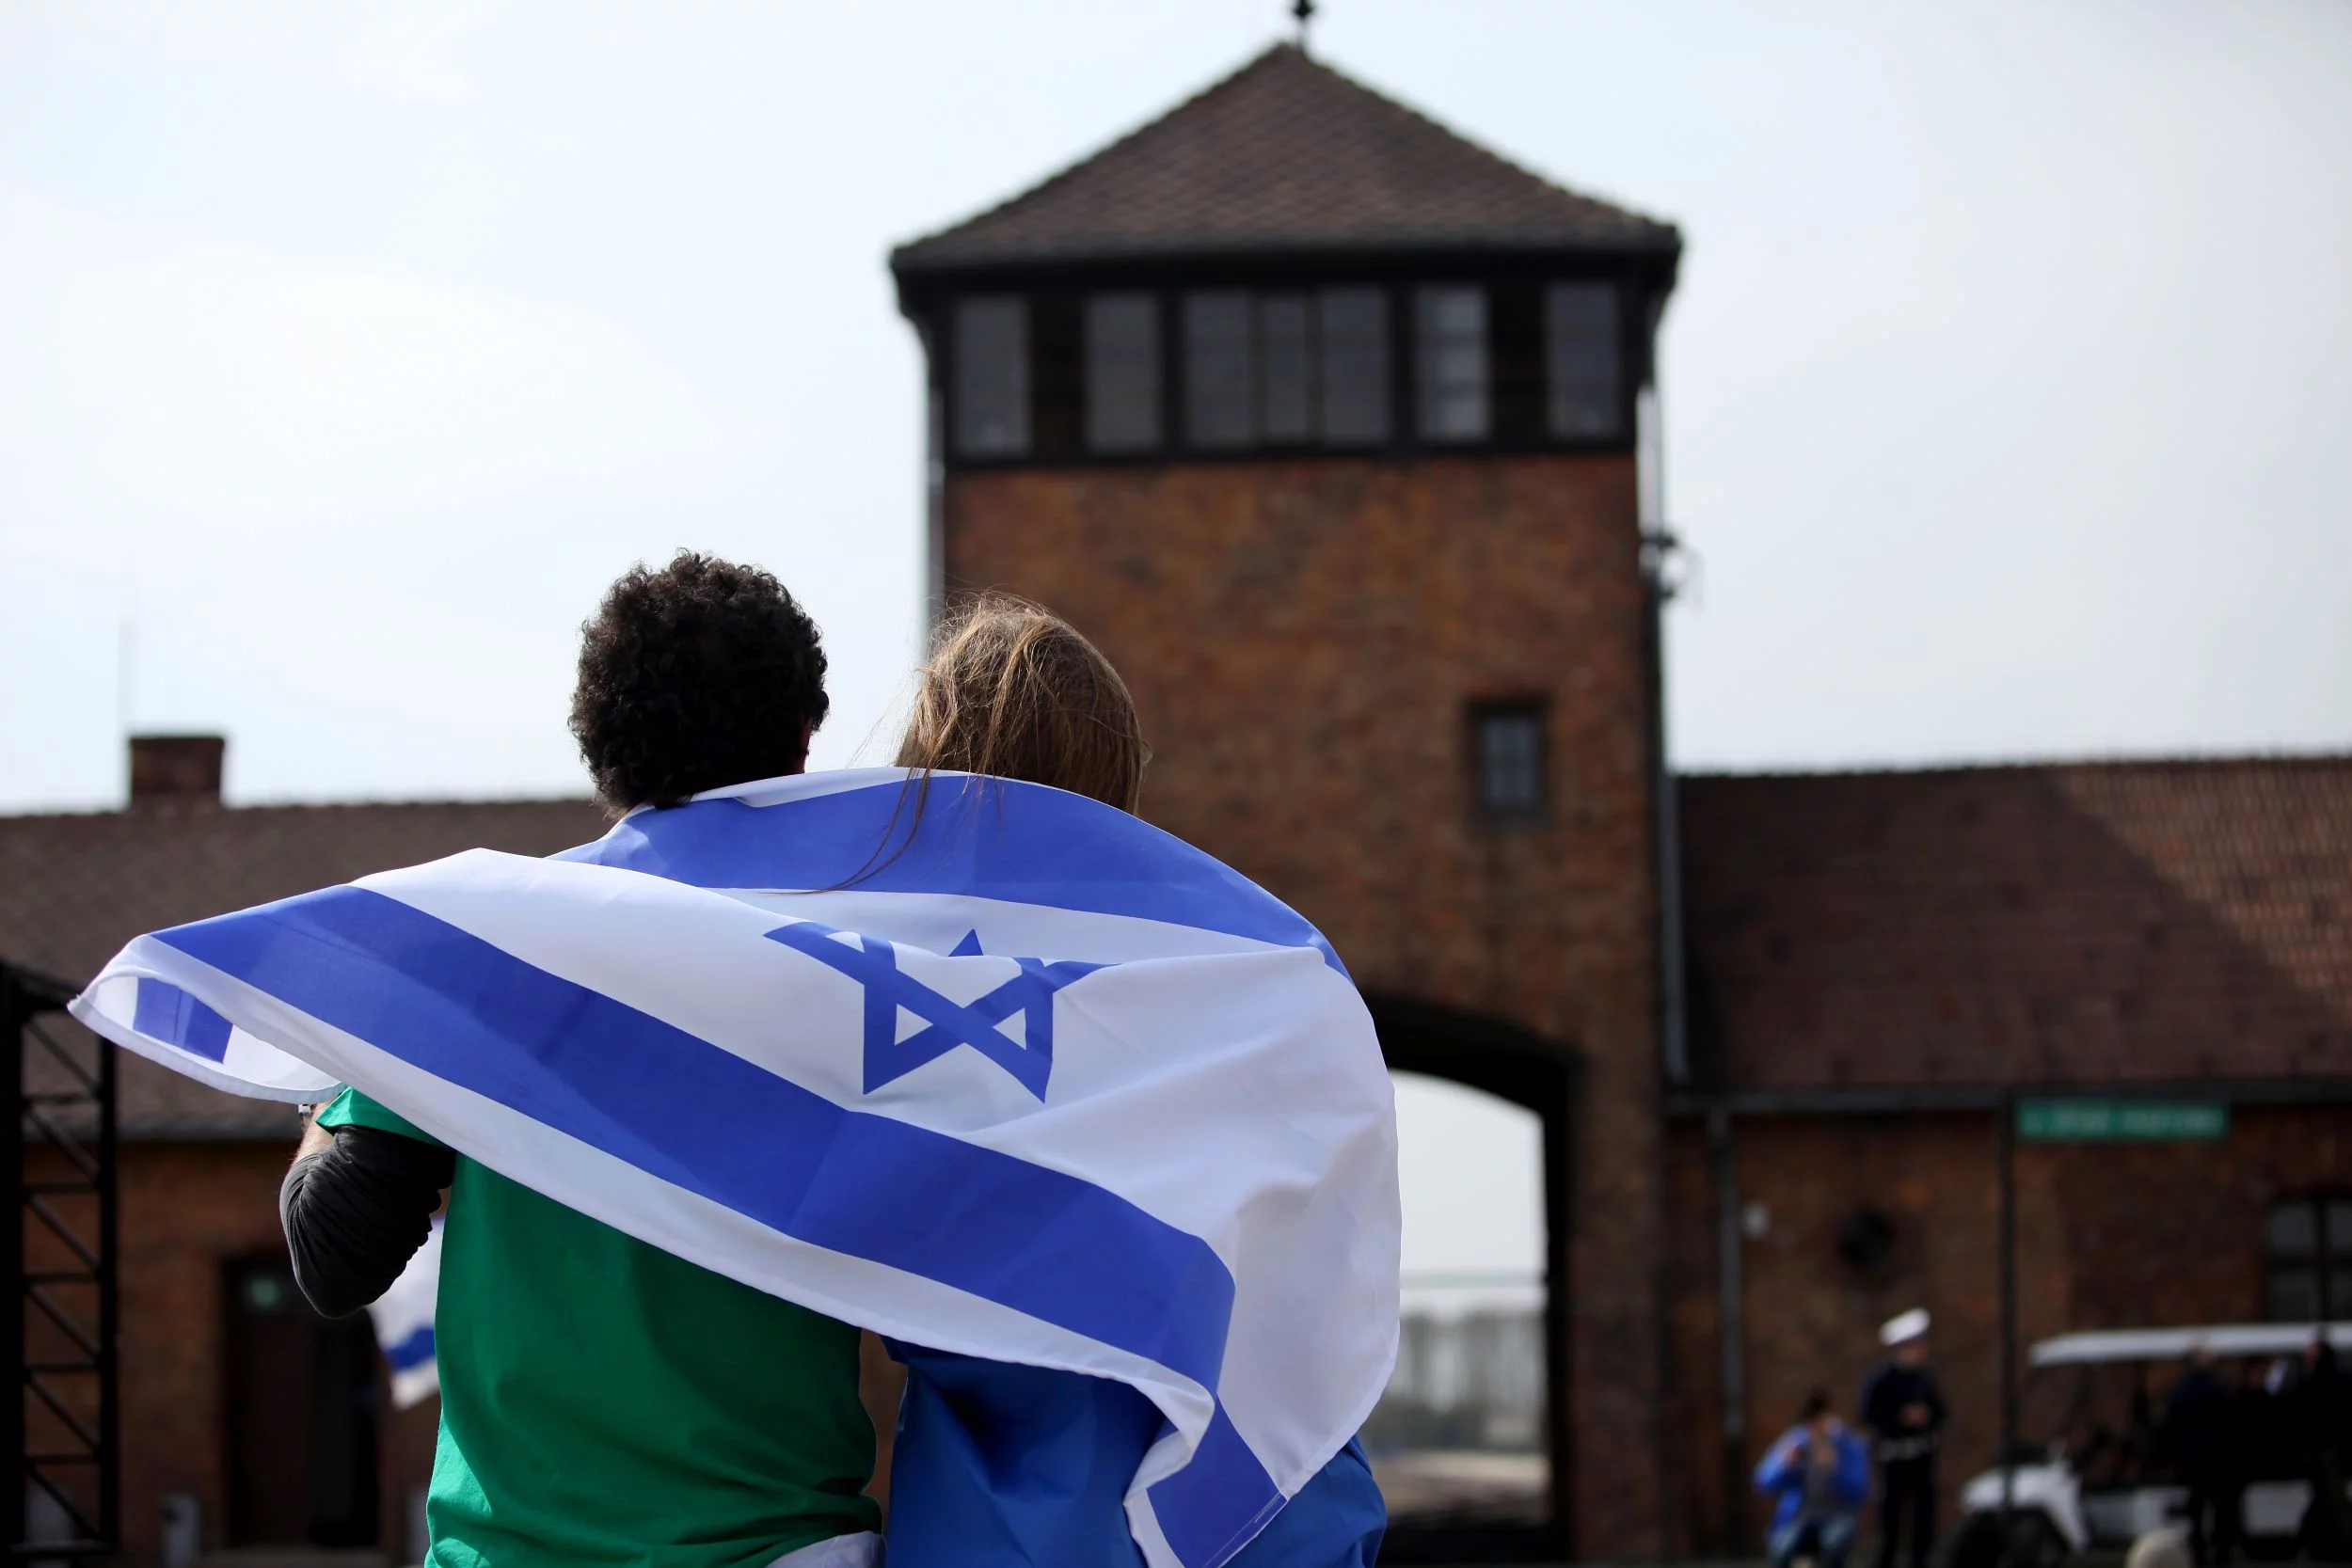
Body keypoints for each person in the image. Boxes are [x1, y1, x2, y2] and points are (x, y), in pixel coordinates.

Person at [278, 553, 882, 1568]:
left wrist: (332, 1092)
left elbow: (335, 1255)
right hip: (781, 1543)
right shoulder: (875, 974)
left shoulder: (484, 952)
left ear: (597, 737)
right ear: (803, 738)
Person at [872, 591, 1389, 1568]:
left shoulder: (895, 1021)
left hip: (1009, 1535)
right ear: (1116, 772)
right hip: (1272, 1523)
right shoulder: (1246, 984)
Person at [1861, 1308, 1947, 1568]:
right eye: (1914, 1346)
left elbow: (1942, 1412)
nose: (1919, 1351)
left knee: (1923, 1524)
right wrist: (1900, 1418)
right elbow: (1869, 1414)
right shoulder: (1882, 1380)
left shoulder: (1925, 1378)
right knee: (1891, 1526)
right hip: (1894, 1459)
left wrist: (1927, 1416)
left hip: (1922, 1458)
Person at [1756, 1388, 1872, 1568]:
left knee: (1833, 1544)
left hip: (1837, 1516)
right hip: (1799, 1518)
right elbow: (1762, 1482)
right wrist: (1784, 1466)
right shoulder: (1796, 1441)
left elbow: (1860, 1493)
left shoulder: (1849, 1445)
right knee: (1782, 1547)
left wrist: (1835, 1469)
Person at [2157, 1342, 2243, 1567]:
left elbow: (2171, 1427)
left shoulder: (2181, 1392)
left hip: (2192, 1462)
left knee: (2196, 1512)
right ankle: (2221, 1554)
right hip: (2219, 1461)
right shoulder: (2221, 1390)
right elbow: (2234, 1425)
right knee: (2220, 1511)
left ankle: (2199, 1555)